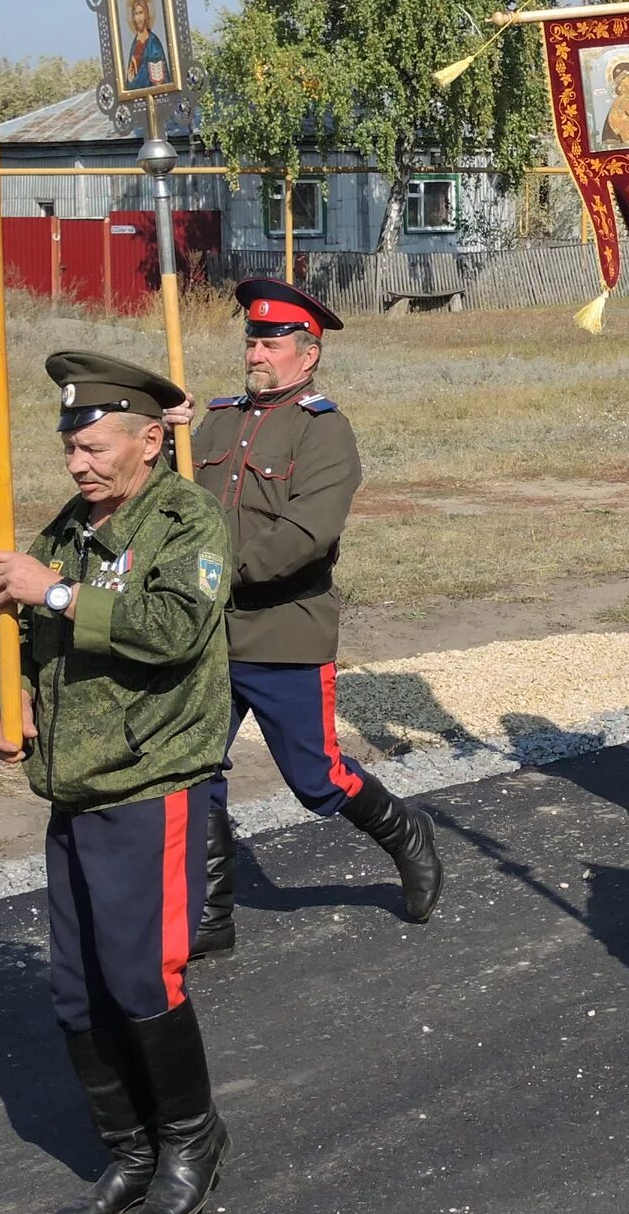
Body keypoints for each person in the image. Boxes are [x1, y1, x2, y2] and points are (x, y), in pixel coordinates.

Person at [0, 351, 235, 1214]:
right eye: (70, 450)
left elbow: (170, 630)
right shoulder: (73, 524)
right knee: (76, 987)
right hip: (75, 783)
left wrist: (49, 590)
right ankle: (128, 1152)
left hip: (149, 779)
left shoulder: (185, 519)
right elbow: (42, 633)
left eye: (96, 448)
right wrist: (17, 703)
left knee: (140, 976)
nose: (80, 465)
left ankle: (192, 1144)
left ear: (151, 441)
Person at [179, 279, 441, 955]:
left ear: (308, 354)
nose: (255, 351)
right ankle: (210, 915)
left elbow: (305, 534)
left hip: (282, 629)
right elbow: (180, 508)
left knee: (315, 776)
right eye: (251, 340)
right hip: (210, 636)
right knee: (193, 766)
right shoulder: (216, 420)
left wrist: (212, 576)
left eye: (269, 342)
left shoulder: (325, 430)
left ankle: (404, 829)